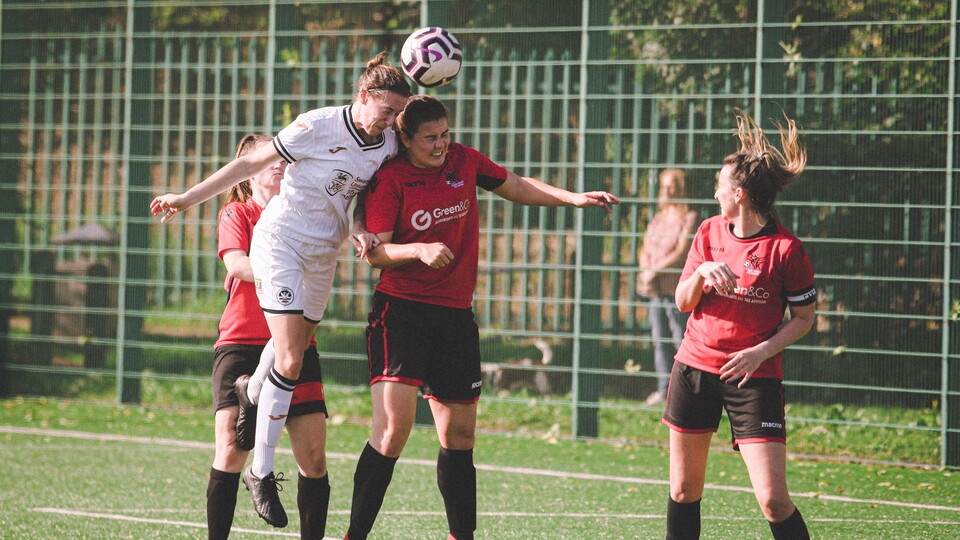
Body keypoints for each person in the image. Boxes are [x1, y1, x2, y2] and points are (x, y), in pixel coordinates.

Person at [150, 52, 412, 529]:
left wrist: (360, 228)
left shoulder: (387, 145)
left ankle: (254, 388)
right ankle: (261, 470)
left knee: (290, 353)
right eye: (386, 110)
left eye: (398, 113)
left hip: (322, 258)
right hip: (281, 244)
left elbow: (364, 195)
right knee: (291, 358)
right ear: (362, 97)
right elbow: (250, 162)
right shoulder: (317, 127)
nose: (391, 122)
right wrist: (186, 198)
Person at [344, 95, 620, 540]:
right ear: (405, 138)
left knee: (460, 438)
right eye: (430, 138)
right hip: (402, 314)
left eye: (445, 133)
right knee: (393, 431)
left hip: (455, 317)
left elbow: (514, 185)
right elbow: (376, 252)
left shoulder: (463, 161)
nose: (440, 144)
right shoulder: (391, 179)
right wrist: (418, 249)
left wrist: (573, 199)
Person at [663, 110, 815, 540]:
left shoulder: (787, 250)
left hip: (755, 375)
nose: (715, 193)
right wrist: (700, 274)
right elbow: (681, 302)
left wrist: (760, 352)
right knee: (684, 487)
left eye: (720, 186)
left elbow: (804, 319)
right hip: (694, 368)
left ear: (741, 194)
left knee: (772, 498)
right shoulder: (709, 232)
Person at [207, 134, 330, 539]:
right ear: (246, 174)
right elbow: (239, 264)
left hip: (295, 343)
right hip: (242, 343)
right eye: (267, 160)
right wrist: (284, 271)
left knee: (313, 456)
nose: (277, 164)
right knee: (231, 448)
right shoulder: (238, 214)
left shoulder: (304, 216)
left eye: (282, 159)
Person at [637, 169, 698, 406]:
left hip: (677, 291)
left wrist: (655, 270)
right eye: (663, 184)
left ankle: (687, 390)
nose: (666, 189)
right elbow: (645, 246)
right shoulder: (658, 218)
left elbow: (682, 251)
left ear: (682, 187)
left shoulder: (690, 217)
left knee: (680, 339)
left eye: (672, 184)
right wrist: (645, 269)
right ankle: (664, 389)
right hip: (655, 290)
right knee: (658, 340)